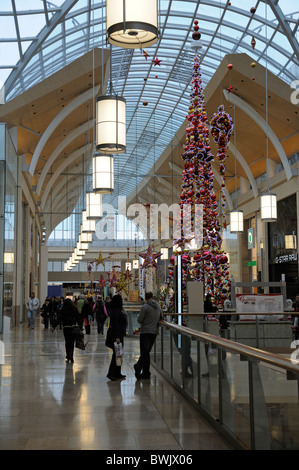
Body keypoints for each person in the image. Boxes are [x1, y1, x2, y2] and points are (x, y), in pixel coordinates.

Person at [134, 292, 163, 380]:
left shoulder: (145, 307)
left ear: (146, 298)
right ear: (153, 297)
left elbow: (140, 320)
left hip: (145, 332)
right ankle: (145, 371)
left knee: (144, 352)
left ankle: (140, 367)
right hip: (154, 332)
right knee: (147, 353)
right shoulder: (158, 306)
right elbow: (162, 317)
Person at [52, 298, 83, 364]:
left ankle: (68, 355)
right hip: (73, 328)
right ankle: (71, 357)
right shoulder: (74, 309)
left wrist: (54, 326)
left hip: (66, 328)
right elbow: (78, 318)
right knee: (72, 343)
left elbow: (59, 319)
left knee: (67, 342)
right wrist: (81, 327)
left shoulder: (63, 310)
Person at [106, 294, 127, 381]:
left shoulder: (116, 310)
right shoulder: (116, 311)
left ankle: (117, 372)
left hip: (119, 335)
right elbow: (115, 325)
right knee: (116, 354)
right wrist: (117, 337)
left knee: (119, 355)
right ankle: (111, 373)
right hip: (117, 336)